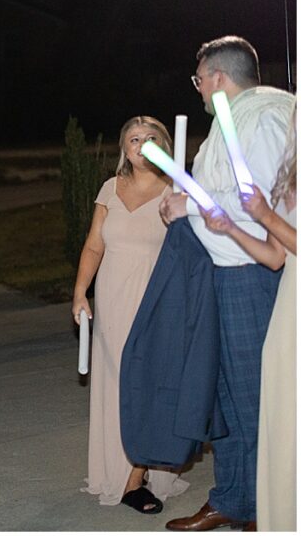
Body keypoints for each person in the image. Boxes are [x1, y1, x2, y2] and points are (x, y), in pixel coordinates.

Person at [160, 36, 295, 531]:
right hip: (224, 270)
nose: (197, 90)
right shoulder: (232, 118)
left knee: (254, 396)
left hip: (250, 274)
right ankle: (232, 498)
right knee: (226, 394)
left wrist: (189, 205)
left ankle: (267, 507)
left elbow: (254, 204)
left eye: (199, 79)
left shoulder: (259, 117)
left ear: (218, 77)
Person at [72, 116, 188, 513]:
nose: (140, 145)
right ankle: (124, 470)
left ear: (164, 144)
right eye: (133, 139)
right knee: (119, 384)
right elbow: (93, 247)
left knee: (150, 385)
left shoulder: (178, 189)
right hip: (114, 299)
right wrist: (79, 293)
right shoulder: (110, 188)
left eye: (149, 138)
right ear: (124, 149)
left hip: (158, 300)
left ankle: (134, 478)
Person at [199, 107, 296, 532]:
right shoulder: (287, 177)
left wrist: (262, 214)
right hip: (287, 308)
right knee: (277, 413)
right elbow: (276, 256)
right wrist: (230, 228)